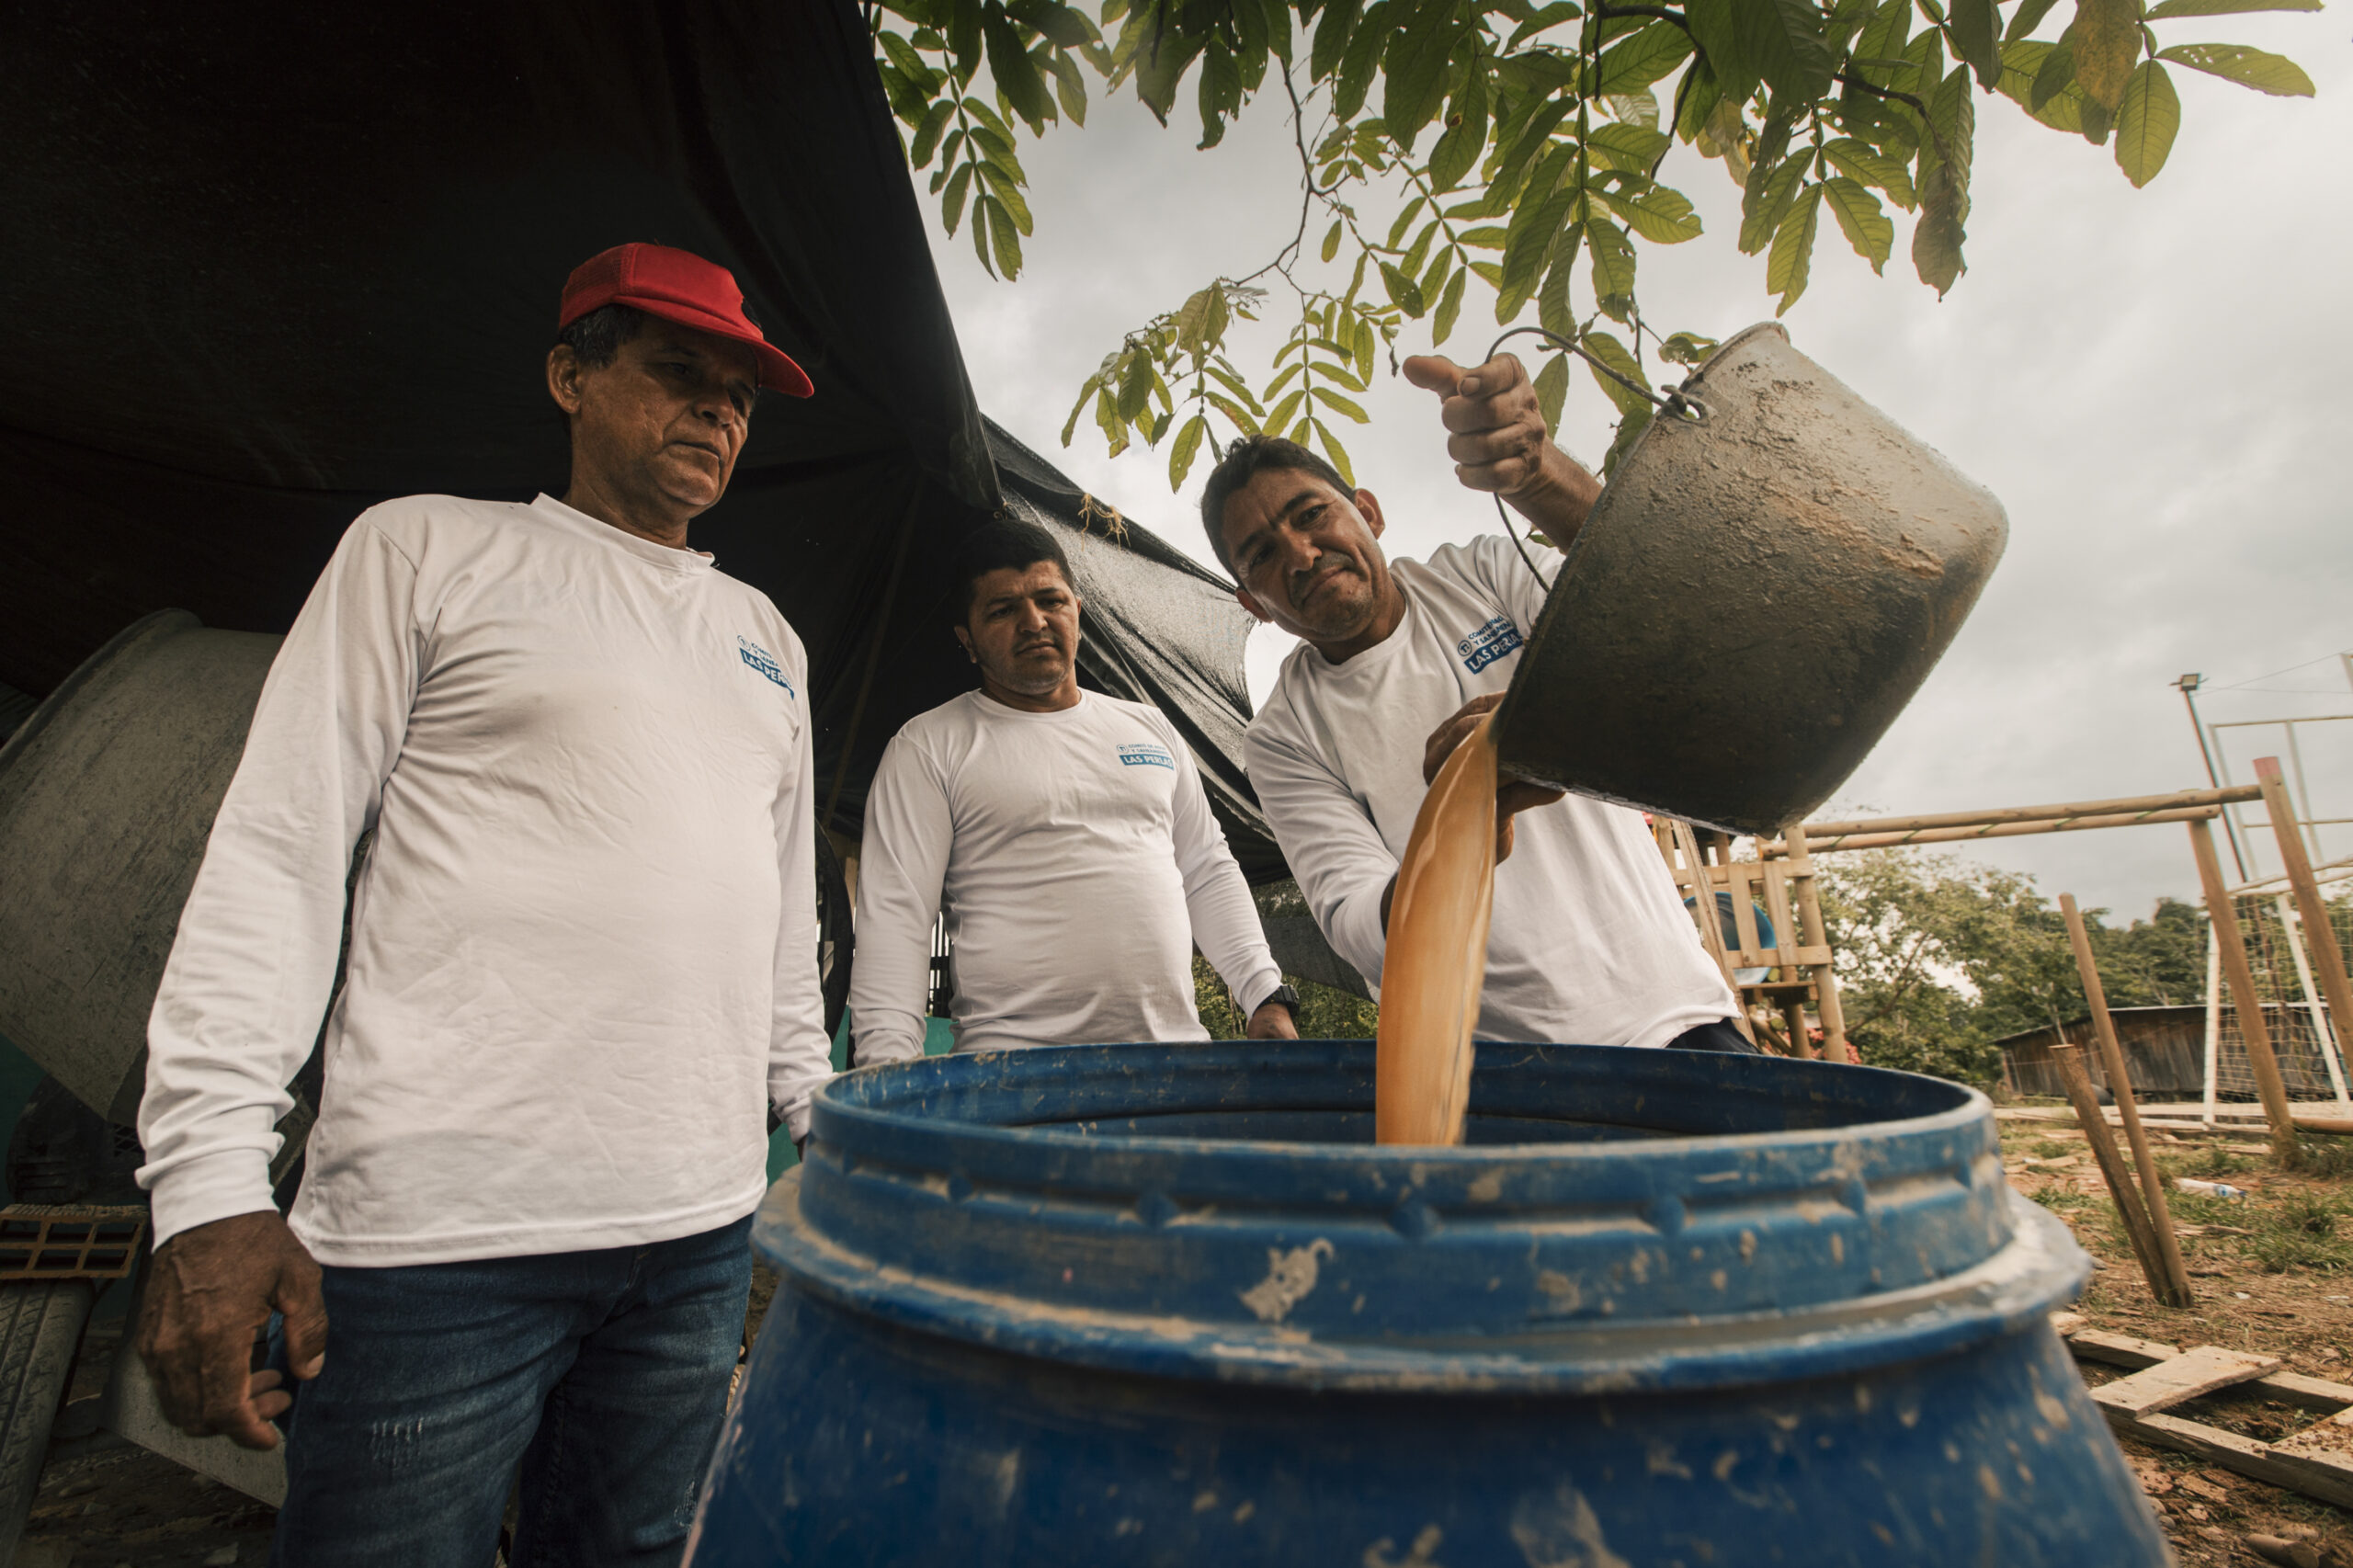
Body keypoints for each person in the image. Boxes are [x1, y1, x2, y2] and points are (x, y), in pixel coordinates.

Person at [131, 242, 835, 1567]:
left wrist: (817, 1112)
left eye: (739, 395)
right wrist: (212, 1183)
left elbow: (782, 912)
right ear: (571, 376)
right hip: (438, 1243)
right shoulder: (428, 548)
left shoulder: (767, 634)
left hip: (693, 1233)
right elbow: (279, 846)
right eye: (678, 373)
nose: (717, 412)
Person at [1205, 352, 1748, 1054]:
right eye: (1262, 556)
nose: (1303, 556)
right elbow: (1363, 931)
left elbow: (1658, 625)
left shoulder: (1485, 574)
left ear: (1367, 511)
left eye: (1312, 515)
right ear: (1255, 605)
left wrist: (1539, 471)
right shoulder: (1282, 737)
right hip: (1494, 1081)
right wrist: (1457, 831)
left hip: (1684, 1017)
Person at [849, 517, 1300, 1066]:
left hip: (1176, 1071)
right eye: (1002, 609)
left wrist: (1264, 994)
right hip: (1014, 1082)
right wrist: (886, 1074)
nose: (1034, 621)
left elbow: (1206, 868)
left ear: (1077, 611)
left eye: (1050, 600)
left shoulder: (1150, 729)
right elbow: (897, 917)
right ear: (966, 641)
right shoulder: (929, 747)